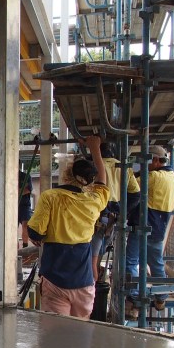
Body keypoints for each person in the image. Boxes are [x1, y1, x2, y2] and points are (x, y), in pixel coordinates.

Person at [26, 135, 109, 319]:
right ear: (89, 181)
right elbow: (102, 181)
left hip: (55, 277)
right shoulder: (94, 201)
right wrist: (95, 148)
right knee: (81, 336)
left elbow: (35, 231)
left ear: (66, 174)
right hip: (83, 281)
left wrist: (38, 237)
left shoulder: (51, 197)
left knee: (56, 336)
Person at [125, 145, 174, 315]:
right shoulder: (172, 176)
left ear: (155, 160)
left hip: (143, 224)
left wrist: (126, 170)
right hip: (158, 227)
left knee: (131, 262)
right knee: (156, 265)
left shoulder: (153, 177)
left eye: (147, 161)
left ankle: (134, 300)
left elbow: (131, 185)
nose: (144, 165)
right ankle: (161, 297)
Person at [90, 142, 141, 280]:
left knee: (92, 257)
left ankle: (93, 288)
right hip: (113, 216)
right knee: (99, 252)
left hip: (97, 213)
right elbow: (136, 194)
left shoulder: (94, 165)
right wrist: (122, 211)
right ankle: (97, 283)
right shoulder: (123, 166)